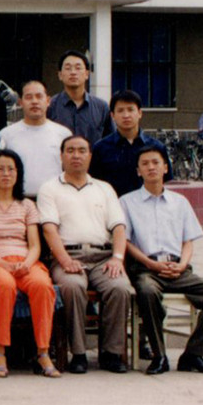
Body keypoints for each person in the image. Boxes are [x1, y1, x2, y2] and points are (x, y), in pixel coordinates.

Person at [121, 145, 203, 375]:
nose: (151, 167)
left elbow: (188, 241)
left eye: (156, 162)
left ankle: (193, 354)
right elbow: (126, 242)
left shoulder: (180, 202)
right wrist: (150, 264)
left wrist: (181, 265)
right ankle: (159, 356)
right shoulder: (127, 202)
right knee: (147, 292)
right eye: (145, 164)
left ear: (165, 167)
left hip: (178, 268)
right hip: (146, 269)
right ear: (138, 171)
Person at [38, 135, 133, 374]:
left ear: (90, 156)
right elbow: (49, 229)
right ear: (61, 156)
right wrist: (65, 260)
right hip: (68, 256)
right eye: (70, 150)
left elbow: (119, 227)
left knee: (120, 287)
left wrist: (117, 258)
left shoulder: (104, 188)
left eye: (82, 151)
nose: (76, 155)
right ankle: (78, 353)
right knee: (71, 287)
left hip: (103, 257)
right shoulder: (49, 188)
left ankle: (111, 353)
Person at [0, 149, 59, 378]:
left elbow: (35, 245)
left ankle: (43, 352)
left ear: (18, 174)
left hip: (25, 262)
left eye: (11, 169)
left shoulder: (27, 205)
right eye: (0, 169)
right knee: (5, 285)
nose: (6, 174)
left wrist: (27, 263)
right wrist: (2, 264)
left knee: (42, 285)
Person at [0, 81, 71, 197]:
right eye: (29, 97)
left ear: (48, 101)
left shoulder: (63, 134)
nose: (34, 101)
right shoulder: (6, 135)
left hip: (55, 199)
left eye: (39, 96)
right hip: (17, 199)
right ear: (20, 103)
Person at [91, 90, 171, 197]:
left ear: (140, 113)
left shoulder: (156, 147)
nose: (126, 115)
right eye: (120, 111)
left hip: (147, 204)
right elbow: (94, 183)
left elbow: (166, 180)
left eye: (130, 110)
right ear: (112, 115)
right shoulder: (101, 148)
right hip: (114, 204)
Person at [46, 50, 113, 144]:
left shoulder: (101, 107)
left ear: (87, 74)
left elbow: (110, 141)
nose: (73, 72)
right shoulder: (50, 106)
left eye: (78, 68)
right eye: (68, 68)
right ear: (60, 75)